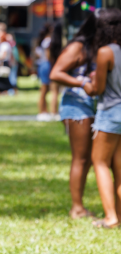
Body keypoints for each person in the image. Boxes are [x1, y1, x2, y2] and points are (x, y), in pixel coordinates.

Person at [50, 14, 97, 220]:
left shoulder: (99, 47)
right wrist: (82, 83)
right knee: (81, 158)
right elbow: (56, 73)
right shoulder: (77, 47)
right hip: (77, 106)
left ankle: (80, 205)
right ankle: (77, 208)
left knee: (91, 159)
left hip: (93, 106)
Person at [84, 8, 121, 228]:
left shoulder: (106, 51)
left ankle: (111, 217)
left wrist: (86, 83)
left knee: (99, 162)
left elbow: (97, 89)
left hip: (111, 112)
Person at [35, 23, 59, 121]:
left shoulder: (42, 41)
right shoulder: (49, 41)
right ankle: (53, 112)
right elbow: (49, 56)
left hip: (42, 65)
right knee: (53, 90)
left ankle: (43, 112)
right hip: (48, 65)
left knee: (44, 90)